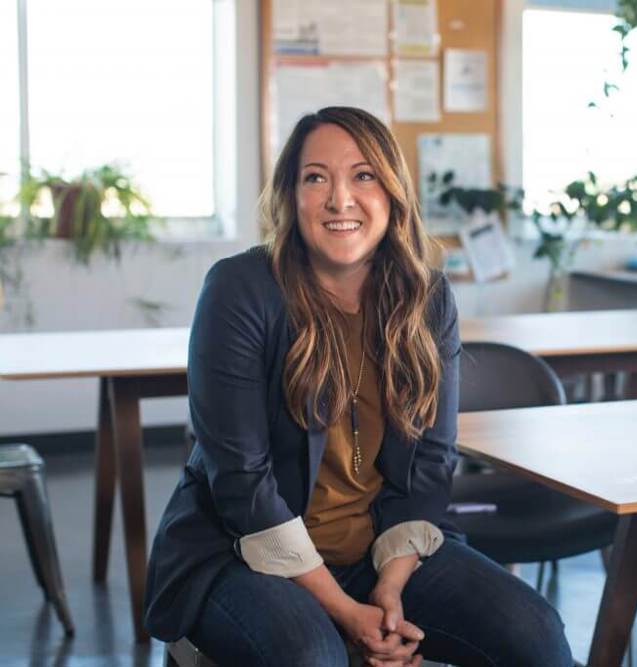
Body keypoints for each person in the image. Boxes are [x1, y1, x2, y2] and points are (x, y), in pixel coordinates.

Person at [143, 107, 574, 667]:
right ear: (290, 196)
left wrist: (390, 592)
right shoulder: (240, 289)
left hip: (380, 550)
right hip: (240, 554)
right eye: (316, 177)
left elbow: (430, 464)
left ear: (392, 191)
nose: (340, 199)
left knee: (534, 632)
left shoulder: (428, 298)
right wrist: (348, 616)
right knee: (312, 655)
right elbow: (241, 484)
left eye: (363, 175)